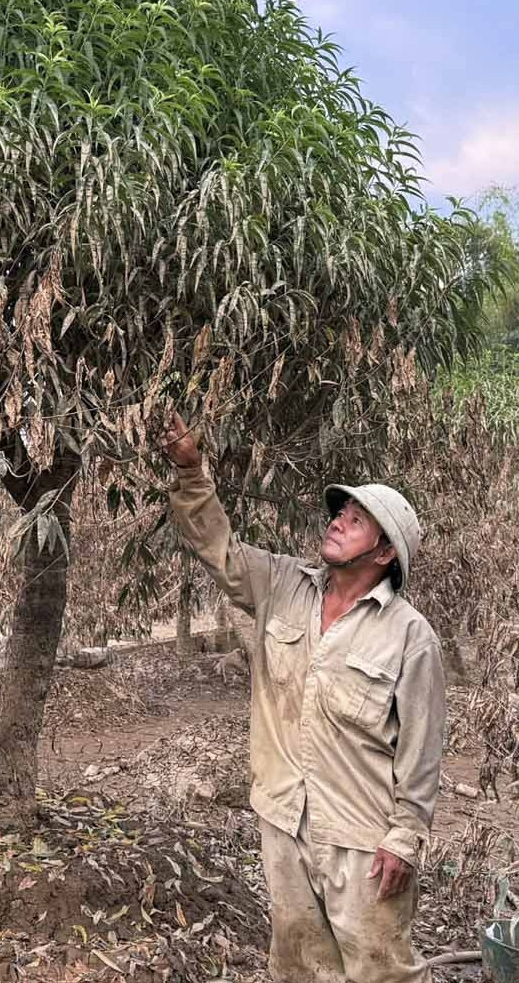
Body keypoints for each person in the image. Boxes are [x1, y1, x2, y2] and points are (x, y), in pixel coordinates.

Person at [158, 412, 446, 983]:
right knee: (299, 967)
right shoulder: (282, 584)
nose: (338, 522)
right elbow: (218, 548)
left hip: (362, 841)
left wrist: (404, 838)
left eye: (357, 520)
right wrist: (191, 471)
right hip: (283, 822)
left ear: (386, 552)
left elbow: (422, 751)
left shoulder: (411, 637)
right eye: (340, 512)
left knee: (379, 970)